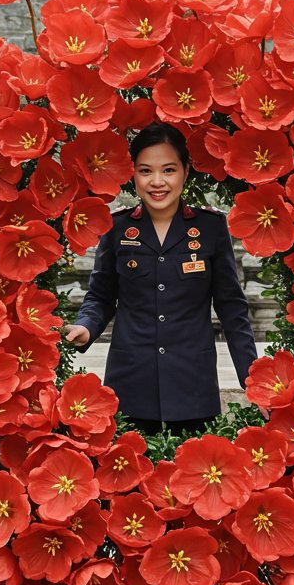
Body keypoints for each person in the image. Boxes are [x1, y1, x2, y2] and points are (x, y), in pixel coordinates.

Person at [64, 121, 258, 435]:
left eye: (168, 170)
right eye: (145, 171)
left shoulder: (210, 229)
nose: (157, 182)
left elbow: (232, 310)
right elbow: (100, 297)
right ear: (134, 175)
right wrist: (85, 327)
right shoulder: (115, 228)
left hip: (192, 389)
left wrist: (252, 379)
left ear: (185, 171)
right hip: (130, 387)